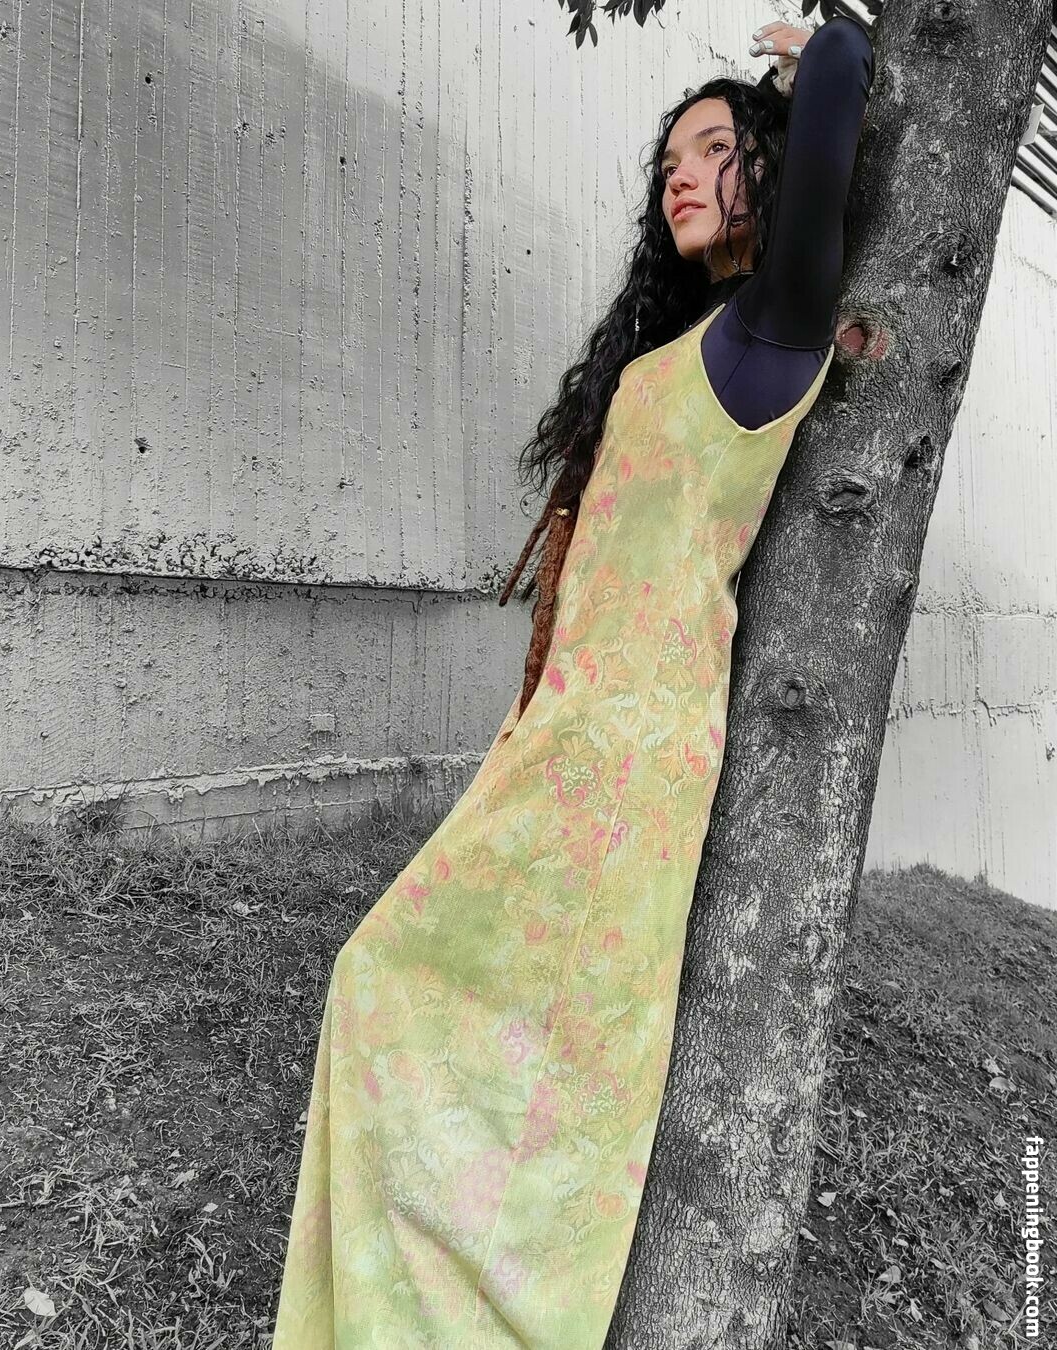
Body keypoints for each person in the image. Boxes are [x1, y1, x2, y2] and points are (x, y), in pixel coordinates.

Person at [272, 13, 875, 1348]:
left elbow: (838, 108)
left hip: (632, 768)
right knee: (385, 984)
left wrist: (824, 48)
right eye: (668, 161)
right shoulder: (679, 351)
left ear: (769, 166)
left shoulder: (770, 338)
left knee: (537, 1063)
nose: (680, 176)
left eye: (714, 151)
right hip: (559, 740)